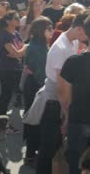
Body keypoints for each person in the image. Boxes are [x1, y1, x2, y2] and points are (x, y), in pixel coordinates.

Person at [24, 11, 89, 174]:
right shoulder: (61, 48)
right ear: (81, 29)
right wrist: (66, 117)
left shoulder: (72, 43)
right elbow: (62, 90)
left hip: (65, 106)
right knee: (49, 148)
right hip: (55, 104)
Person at [59, 15, 90, 174]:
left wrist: (66, 119)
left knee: (76, 166)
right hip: (78, 122)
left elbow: (65, 98)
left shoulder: (73, 62)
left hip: (78, 121)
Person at [22, 17, 53, 166]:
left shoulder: (39, 44)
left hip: (34, 85)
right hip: (35, 87)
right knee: (34, 120)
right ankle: (30, 155)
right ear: (41, 31)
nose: (52, 31)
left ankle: (31, 153)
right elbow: (40, 73)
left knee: (33, 119)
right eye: (49, 28)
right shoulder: (37, 47)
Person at [0, 11, 26, 134]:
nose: (18, 20)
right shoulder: (5, 34)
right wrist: (25, 49)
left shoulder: (16, 33)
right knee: (6, 96)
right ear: (8, 21)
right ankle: (1, 124)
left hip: (16, 69)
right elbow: (16, 53)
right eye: (16, 18)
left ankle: (0, 121)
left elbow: (19, 51)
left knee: (7, 96)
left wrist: (20, 52)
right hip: (6, 70)